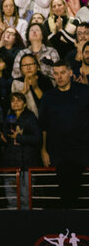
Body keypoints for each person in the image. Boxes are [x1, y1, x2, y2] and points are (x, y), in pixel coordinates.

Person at [38, 62, 89, 207]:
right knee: (65, 192)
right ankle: (68, 224)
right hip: (59, 152)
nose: (59, 77)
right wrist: (43, 150)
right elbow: (43, 126)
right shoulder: (48, 96)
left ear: (70, 73)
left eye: (62, 72)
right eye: (56, 73)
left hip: (82, 150)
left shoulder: (85, 91)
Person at [0, 92, 41, 209]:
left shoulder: (30, 117)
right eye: (13, 101)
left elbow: (37, 138)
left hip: (26, 164)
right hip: (10, 165)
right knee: (12, 201)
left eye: (19, 100)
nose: (15, 103)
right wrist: (2, 138)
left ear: (25, 103)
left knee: (26, 201)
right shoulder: (8, 117)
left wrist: (19, 137)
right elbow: (5, 137)